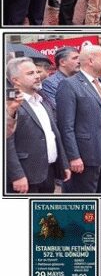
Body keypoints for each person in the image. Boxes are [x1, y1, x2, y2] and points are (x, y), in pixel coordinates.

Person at [56, 45, 101, 193]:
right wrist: (73, 156)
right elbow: (65, 125)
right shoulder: (69, 85)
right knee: (85, 199)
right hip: (86, 155)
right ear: (91, 61)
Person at [5, 57, 70, 194]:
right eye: (30, 73)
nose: (37, 76)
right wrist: (16, 175)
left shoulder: (41, 99)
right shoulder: (9, 104)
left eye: (36, 72)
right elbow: (6, 142)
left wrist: (63, 164)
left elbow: (53, 134)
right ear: (15, 80)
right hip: (24, 177)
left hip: (48, 172)